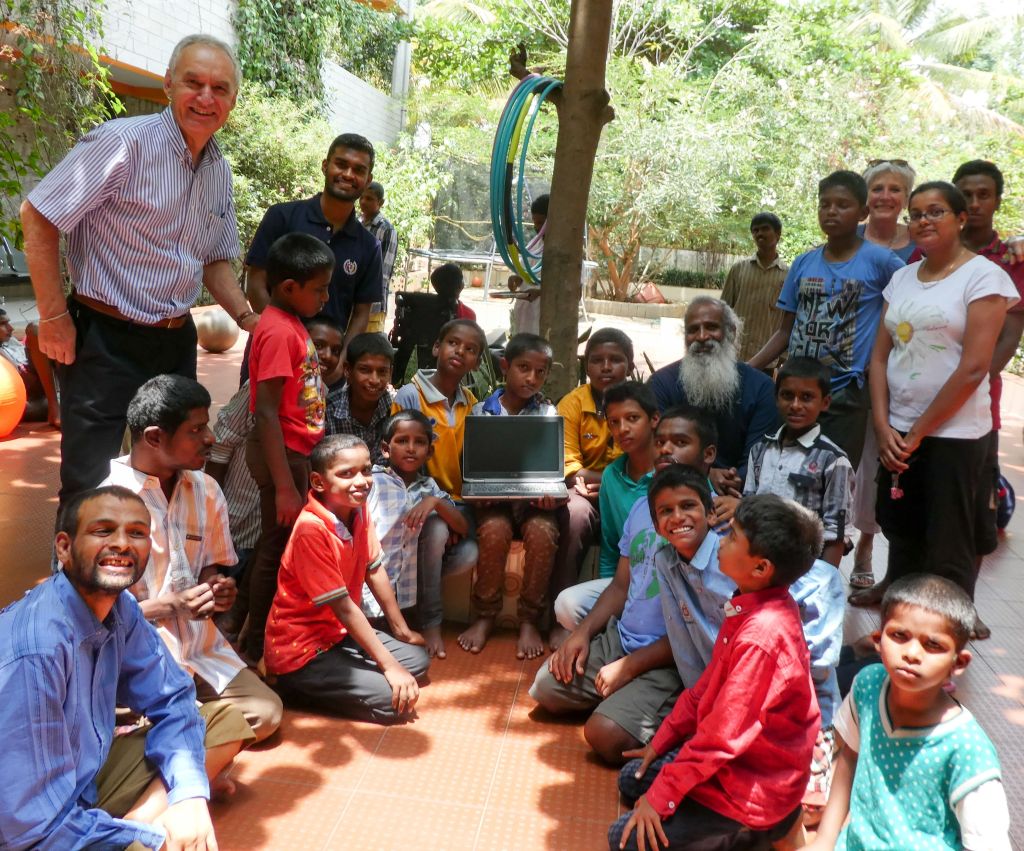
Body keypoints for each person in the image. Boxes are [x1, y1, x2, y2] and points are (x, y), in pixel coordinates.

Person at [20, 34, 256, 508]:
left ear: (232, 100)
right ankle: (74, 584)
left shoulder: (218, 170)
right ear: (169, 84)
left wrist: (251, 320)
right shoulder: (122, 144)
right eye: (194, 83)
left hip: (173, 341)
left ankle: (155, 580)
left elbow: (213, 259)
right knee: (90, 483)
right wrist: (52, 316)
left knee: (171, 471)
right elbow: (39, 215)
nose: (206, 98)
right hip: (105, 339)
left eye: (220, 88)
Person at [0, 486, 254, 850]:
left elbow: (175, 698)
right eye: (103, 531)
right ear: (64, 548)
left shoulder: (121, 609)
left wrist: (189, 799)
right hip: (32, 824)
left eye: (136, 533)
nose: (122, 544)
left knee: (222, 722)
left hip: (83, 779)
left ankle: (148, 816)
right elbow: (28, 827)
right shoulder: (36, 650)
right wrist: (155, 838)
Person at [608, 494, 823, 851]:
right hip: (736, 763)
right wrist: (659, 743)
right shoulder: (752, 603)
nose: (721, 540)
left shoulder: (762, 636)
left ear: (760, 568)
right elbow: (704, 692)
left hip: (751, 781)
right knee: (633, 779)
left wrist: (660, 799)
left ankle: (757, 830)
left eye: (733, 536)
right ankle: (766, 823)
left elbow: (720, 740)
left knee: (623, 839)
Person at [851, 182, 1018, 618]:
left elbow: (974, 368)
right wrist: (885, 426)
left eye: (936, 211)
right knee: (901, 527)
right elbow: (880, 355)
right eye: (917, 213)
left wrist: (917, 431)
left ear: (961, 219)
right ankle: (901, 618)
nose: (924, 220)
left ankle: (950, 624)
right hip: (899, 430)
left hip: (955, 434)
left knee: (951, 537)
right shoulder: (903, 278)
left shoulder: (984, 277)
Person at [530, 416, 721, 766]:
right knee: (547, 689)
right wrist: (584, 634)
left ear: (708, 454)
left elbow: (695, 632)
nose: (665, 449)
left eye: (679, 442)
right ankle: (623, 700)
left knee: (603, 735)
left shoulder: (717, 524)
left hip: (674, 661)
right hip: (623, 640)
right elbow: (622, 585)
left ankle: (668, 714)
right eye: (660, 441)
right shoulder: (643, 507)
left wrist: (631, 667)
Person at [101, 375, 282, 742]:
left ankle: (174, 728)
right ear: (154, 437)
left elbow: (208, 573)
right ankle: (177, 726)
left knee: (267, 713)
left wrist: (216, 591)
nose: (210, 438)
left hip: (201, 652)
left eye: (207, 426)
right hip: (136, 662)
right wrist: (169, 606)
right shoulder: (106, 504)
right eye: (197, 429)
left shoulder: (207, 490)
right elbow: (99, 613)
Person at [807, 575, 1010, 851]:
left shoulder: (967, 750)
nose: (912, 653)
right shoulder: (868, 686)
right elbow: (849, 758)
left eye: (933, 645)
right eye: (899, 636)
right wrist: (824, 841)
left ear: (958, 663)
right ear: (878, 641)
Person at [265, 435, 430, 724]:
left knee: (417, 662)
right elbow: (343, 606)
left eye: (366, 470)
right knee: (392, 704)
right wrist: (389, 666)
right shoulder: (310, 529)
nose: (362, 481)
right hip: (303, 649)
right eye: (346, 474)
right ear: (318, 482)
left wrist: (401, 629)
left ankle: (343, 674)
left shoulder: (358, 508)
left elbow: (373, 568)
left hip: (338, 634)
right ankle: (289, 684)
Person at [749, 171, 905, 470]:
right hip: (796, 390)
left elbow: (913, 298)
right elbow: (785, 330)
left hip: (845, 394)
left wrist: (883, 354)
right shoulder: (804, 263)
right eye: (825, 204)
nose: (831, 211)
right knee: (787, 472)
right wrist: (747, 368)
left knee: (834, 477)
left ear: (863, 212)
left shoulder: (880, 261)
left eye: (842, 205)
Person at [241, 232, 333, 662]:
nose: (326, 297)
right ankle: (254, 643)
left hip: (295, 451)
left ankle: (245, 628)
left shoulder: (289, 323)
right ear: (289, 288)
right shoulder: (278, 331)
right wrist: (284, 485)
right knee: (275, 547)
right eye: (319, 289)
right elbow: (265, 412)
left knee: (275, 543)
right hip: (284, 453)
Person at [245, 132, 383, 377]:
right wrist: (282, 338)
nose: (348, 175)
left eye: (359, 170)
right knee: (262, 415)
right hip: (272, 356)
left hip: (326, 369)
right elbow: (256, 282)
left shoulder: (369, 245)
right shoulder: (282, 217)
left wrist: (342, 361)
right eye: (341, 164)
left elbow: (362, 313)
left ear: (367, 179)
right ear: (325, 165)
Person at [458, 333, 561, 659]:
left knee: (544, 532)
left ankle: (530, 619)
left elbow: (554, 471)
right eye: (523, 368)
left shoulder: (548, 413)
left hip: (533, 502)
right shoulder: (481, 411)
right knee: (494, 530)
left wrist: (550, 496)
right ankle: (485, 615)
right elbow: (469, 467)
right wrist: (478, 494)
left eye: (540, 371)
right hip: (494, 502)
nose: (531, 378)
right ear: (505, 367)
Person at [954, 160, 1024, 635]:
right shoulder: (931, 252)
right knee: (915, 500)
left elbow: (1009, 334)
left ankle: (966, 603)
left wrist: (972, 380)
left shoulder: (1012, 260)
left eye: (983, 194)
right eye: (967, 195)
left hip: (977, 406)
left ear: (997, 199)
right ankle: (900, 585)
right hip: (920, 406)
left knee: (976, 507)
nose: (975, 203)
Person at [849, 158, 918, 589]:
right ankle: (829, 541)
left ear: (907, 198)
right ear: (865, 196)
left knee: (878, 462)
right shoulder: (848, 237)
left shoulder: (920, 245)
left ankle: (868, 543)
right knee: (845, 462)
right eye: (878, 188)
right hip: (844, 368)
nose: (886, 197)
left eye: (895, 189)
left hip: (896, 371)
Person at [364, 409, 471, 660]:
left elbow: (463, 527)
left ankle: (430, 621)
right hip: (374, 582)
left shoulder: (428, 487)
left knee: (438, 524)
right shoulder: (374, 482)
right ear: (385, 448)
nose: (411, 448)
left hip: (413, 577)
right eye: (402, 441)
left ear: (429, 451)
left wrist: (433, 502)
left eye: (419, 442)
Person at [549, 327, 631, 649]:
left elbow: (642, 459)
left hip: (626, 485)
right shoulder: (573, 403)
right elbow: (568, 466)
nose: (606, 367)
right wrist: (602, 481)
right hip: (584, 492)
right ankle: (558, 616)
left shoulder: (637, 401)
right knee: (575, 515)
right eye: (597, 360)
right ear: (587, 366)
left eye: (615, 360)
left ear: (630, 365)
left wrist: (610, 482)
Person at [552, 381, 658, 629]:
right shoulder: (611, 475)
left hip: (669, 584)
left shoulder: (672, 470)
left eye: (632, 418)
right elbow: (611, 547)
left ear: (654, 419)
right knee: (567, 605)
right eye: (614, 422)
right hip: (628, 583)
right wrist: (609, 606)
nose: (623, 429)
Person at [648, 296, 778, 496]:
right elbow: (657, 451)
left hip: (742, 496)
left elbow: (760, 458)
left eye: (711, 327)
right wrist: (705, 475)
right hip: (676, 490)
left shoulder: (762, 388)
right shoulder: (661, 384)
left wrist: (731, 482)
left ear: (731, 333)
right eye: (693, 330)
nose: (701, 336)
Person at [744, 357, 852, 567]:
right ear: (776, 398)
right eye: (787, 395)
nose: (795, 405)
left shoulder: (833, 461)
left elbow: (835, 533)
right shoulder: (760, 451)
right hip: (759, 562)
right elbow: (748, 508)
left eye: (806, 397)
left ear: (825, 402)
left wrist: (823, 583)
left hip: (805, 569)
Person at [391, 317, 486, 501]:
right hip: (419, 499)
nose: (459, 351)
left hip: (462, 499)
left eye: (470, 349)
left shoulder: (470, 403)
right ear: (436, 348)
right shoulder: (410, 396)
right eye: (452, 343)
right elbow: (398, 458)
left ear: (476, 364)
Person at [720, 212, 789, 365]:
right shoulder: (738, 269)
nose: (759, 233)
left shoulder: (788, 275)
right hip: (734, 355)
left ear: (777, 234)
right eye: (755, 230)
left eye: (765, 229)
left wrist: (782, 357)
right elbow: (723, 310)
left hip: (768, 360)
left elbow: (788, 321)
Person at [325, 331, 396, 466]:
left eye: (382, 372)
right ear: (347, 370)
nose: (374, 380)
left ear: (390, 373)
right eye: (365, 370)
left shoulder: (395, 408)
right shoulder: (328, 410)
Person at [0, 310, 58, 425]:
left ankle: (58, 402)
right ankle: (56, 405)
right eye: (3, 324)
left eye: (8, 323)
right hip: (27, 403)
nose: (11, 328)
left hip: (48, 391)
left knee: (34, 328)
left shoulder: (10, 341)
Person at [359, 180, 398, 333]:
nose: (363, 202)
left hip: (373, 305)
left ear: (380, 202)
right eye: (361, 197)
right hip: (353, 301)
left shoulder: (386, 229)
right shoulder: (357, 224)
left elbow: (384, 272)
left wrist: (371, 300)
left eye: (369, 198)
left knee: (368, 348)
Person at [508, 194, 548, 335]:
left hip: (543, 326)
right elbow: (523, 275)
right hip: (524, 322)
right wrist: (516, 279)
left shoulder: (567, 253)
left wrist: (540, 292)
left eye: (541, 223)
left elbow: (574, 293)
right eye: (535, 222)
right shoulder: (534, 246)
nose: (537, 227)